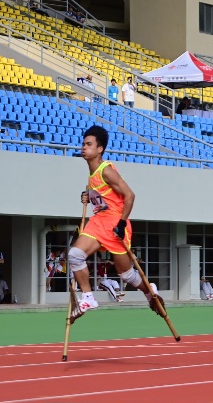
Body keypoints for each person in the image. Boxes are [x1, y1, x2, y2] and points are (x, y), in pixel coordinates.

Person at [67, 125, 163, 320]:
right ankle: (88, 298)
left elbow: (130, 195)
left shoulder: (106, 170)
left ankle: (148, 290)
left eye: (88, 144)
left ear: (100, 149)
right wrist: (89, 196)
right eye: (83, 144)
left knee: (126, 274)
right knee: (75, 255)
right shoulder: (92, 174)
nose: (83, 147)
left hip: (115, 223)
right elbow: (103, 198)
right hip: (99, 221)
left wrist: (121, 223)